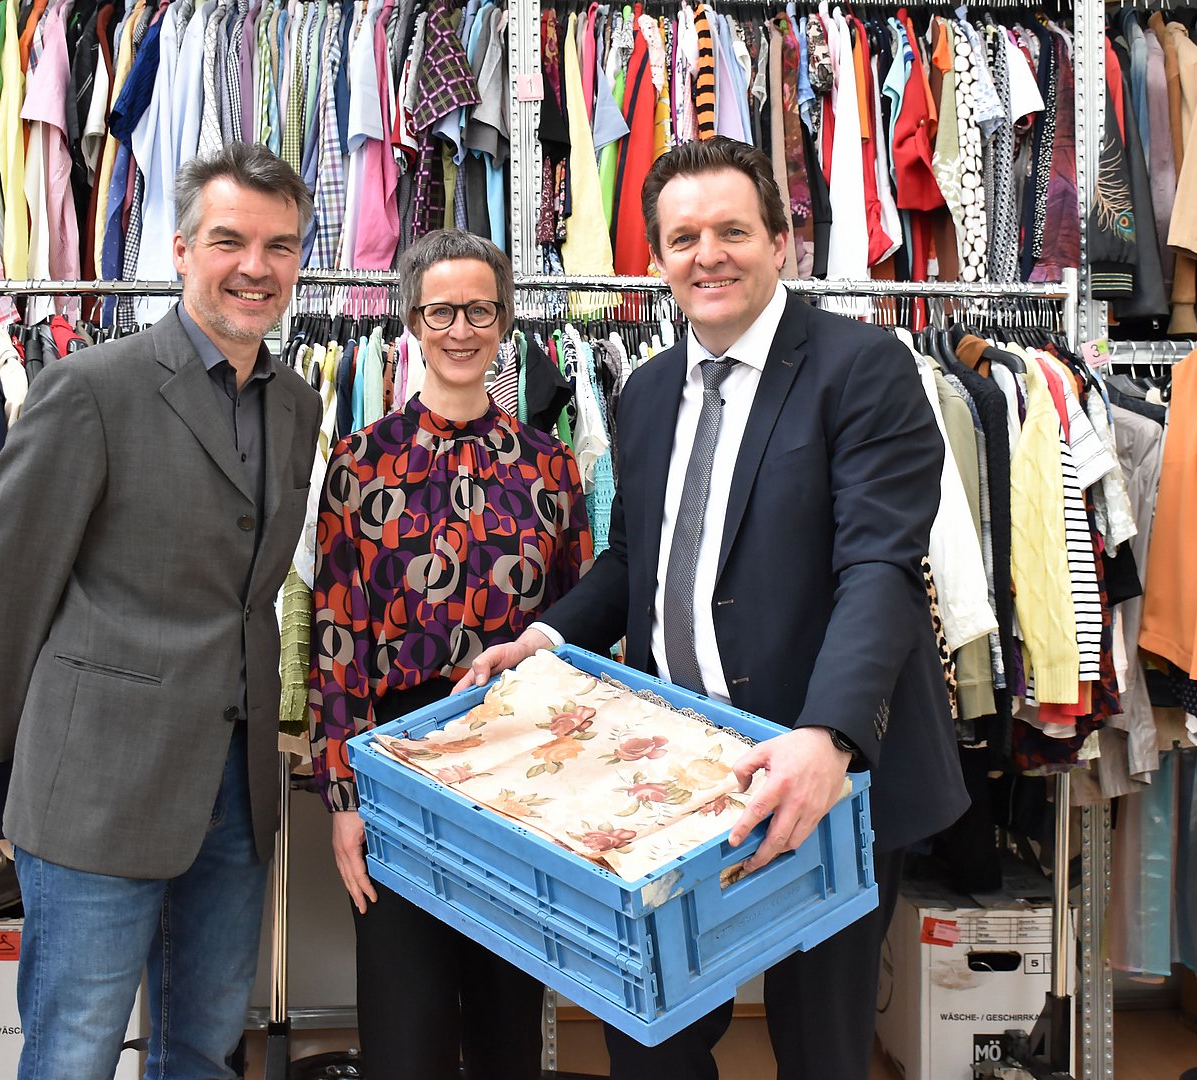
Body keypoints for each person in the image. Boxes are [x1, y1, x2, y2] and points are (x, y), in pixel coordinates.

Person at [460, 139, 969, 1080]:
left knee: (819, 1051)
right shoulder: (648, 389)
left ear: (780, 241)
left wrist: (828, 737)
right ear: (657, 258)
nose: (709, 255)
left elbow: (880, 568)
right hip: (677, 768)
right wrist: (544, 638)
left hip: (821, 774)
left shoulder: (864, 368)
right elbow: (634, 560)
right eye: (683, 237)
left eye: (732, 230)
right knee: (650, 1040)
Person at [0, 142, 323, 1080]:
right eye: (230, 240)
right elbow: (2, 586)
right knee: (75, 1050)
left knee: (203, 1046)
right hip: (94, 784)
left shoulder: (297, 405)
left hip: (237, 788)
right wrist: (40, 749)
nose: (255, 267)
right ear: (181, 249)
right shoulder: (91, 388)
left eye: (280, 246)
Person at [309, 229, 595, 1080]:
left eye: (479, 310)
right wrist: (343, 798)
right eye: (441, 311)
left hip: (520, 761)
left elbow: (577, 630)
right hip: (397, 757)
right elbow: (336, 639)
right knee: (406, 1023)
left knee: (508, 1022)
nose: (460, 330)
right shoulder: (360, 463)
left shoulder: (550, 467)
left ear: (504, 321)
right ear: (412, 320)